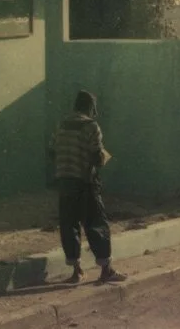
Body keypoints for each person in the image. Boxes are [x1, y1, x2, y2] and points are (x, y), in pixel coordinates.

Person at [49, 89, 126, 284]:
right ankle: (106, 270)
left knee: (69, 225)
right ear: (90, 108)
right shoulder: (91, 126)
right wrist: (102, 158)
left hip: (65, 180)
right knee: (96, 223)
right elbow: (97, 156)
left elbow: (52, 150)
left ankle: (76, 271)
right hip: (84, 181)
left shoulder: (61, 124)